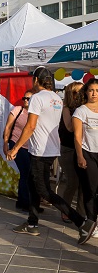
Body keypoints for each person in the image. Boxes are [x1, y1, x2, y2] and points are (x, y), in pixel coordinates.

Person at [8, 67, 95, 245]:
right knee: (33, 186)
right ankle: (32, 224)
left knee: (44, 191)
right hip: (51, 149)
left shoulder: (36, 98)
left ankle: (81, 222)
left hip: (39, 151)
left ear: (36, 81)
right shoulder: (57, 98)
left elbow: (31, 126)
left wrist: (15, 148)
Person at [73, 78, 98, 240]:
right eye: (91, 90)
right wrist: (80, 156)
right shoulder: (81, 110)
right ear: (86, 92)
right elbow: (77, 136)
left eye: (97, 91)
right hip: (88, 154)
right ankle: (92, 223)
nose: (95, 94)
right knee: (91, 190)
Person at [58, 82, 85, 222]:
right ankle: (66, 210)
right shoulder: (67, 109)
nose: (81, 94)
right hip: (68, 150)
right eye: (78, 92)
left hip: (82, 150)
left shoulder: (85, 108)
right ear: (71, 94)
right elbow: (69, 127)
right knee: (72, 182)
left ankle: (81, 213)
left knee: (83, 183)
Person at [3, 89, 33, 212]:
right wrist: (5, 143)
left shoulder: (35, 113)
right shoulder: (17, 110)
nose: (25, 101)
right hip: (16, 144)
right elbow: (8, 126)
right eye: (24, 98)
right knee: (25, 172)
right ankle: (25, 202)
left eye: (28, 99)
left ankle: (25, 201)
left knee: (30, 174)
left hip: (32, 147)